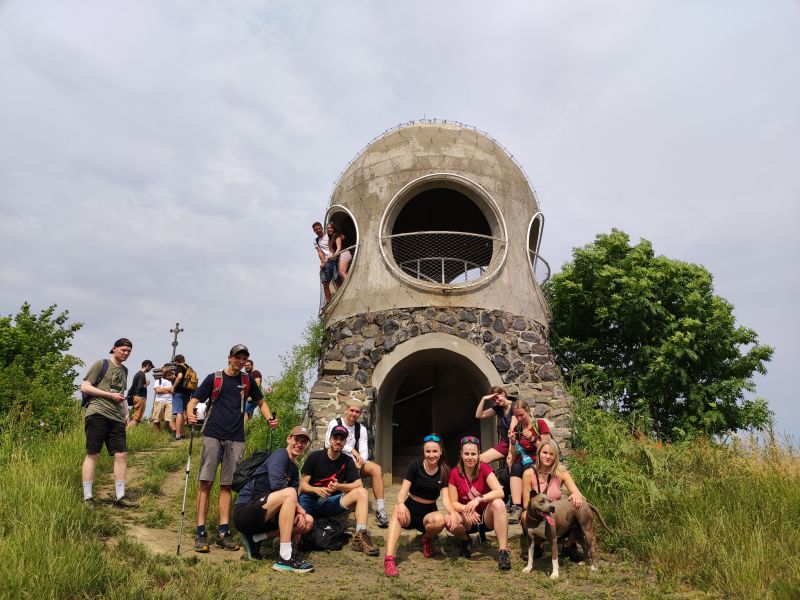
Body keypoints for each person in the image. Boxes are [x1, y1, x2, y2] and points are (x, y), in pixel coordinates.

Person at [186, 344, 278, 553]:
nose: (241, 361)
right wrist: (190, 413)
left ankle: (223, 532)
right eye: (238, 357)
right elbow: (194, 400)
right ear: (229, 358)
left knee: (227, 485)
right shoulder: (214, 378)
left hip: (236, 438)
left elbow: (261, 402)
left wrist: (269, 419)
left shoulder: (247, 381)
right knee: (206, 483)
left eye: (244, 358)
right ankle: (200, 532)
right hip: (212, 434)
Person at [233, 426, 315, 573]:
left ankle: (256, 538)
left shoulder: (294, 469)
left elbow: (293, 499)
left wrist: (299, 514)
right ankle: (285, 558)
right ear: (289, 439)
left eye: (303, 442)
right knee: (290, 493)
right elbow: (277, 485)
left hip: (265, 516)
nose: (299, 444)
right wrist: (300, 508)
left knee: (307, 521)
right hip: (245, 512)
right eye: (296, 439)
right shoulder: (280, 454)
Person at [299, 425, 379, 556]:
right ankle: (289, 539)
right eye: (335, 438)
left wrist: (339, 486)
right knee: (301, 521)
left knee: (362, 492)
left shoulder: (347, 461)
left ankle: (360, 537)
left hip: (331, 502)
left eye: (341, 439)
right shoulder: (315, 457)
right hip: (310, 501)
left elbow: (358, 484)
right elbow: (302, 485)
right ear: (329, 439)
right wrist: (316, 490)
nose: (338, 441)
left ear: (345, 442)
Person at [383, 433, 453, 577]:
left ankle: (425, 539)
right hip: (410, 509)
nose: (431, 455)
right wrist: (400, 503)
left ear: (440, 451)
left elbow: (446, 499)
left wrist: (452, 513)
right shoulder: (415, 465)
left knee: (440, 520)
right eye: (428, 451)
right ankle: (389, 559)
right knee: (396, 509)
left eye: (435, 451)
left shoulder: (445, 470)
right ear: (424, 452)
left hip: (428, 513)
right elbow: (403, 491)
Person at [79, 338, 136, 508]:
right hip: (97, 413)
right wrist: (110, 395)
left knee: (121, 454)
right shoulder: (101, 364)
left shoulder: (124, 370)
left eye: (128, 351)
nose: (126, 353)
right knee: (93, 453)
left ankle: (120, 496)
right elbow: (85, 387)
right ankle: (88, 497)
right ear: (114, 348)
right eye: (123, 350)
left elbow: (121, 393)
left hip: (117, 417)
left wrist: (126, 412)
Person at [446, 436, 511, 570]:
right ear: (461, 454)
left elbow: (500, 492)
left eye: (473, 454)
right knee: (448, 520)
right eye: (466, 454)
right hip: (467, 518)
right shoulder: (454, 473)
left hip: (486, 517)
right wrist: (467, 509)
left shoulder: (484, 468)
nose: (470, 457)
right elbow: (453, 502)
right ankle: (465, 540)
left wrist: (478, 499)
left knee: (498, 503)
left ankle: (503, 552)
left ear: (478, 454)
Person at [324, 400, 389, 527]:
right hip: (336, 460)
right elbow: (328, 443)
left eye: (357, 412)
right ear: (346, 410)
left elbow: (364, 452)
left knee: (376, 469)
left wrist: (359, 462)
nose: (354, 414)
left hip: (353, 463)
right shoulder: (335, 423)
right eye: (352, 410)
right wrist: (351, 450)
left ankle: (380, 510)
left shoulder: (361, 429)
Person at [521, 439, 585, 561]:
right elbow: (525, 504)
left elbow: (578, 493)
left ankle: (569, 546)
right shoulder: (528, 474)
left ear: (556, 457)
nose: (548, 456)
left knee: (581, 507)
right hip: (537, 515)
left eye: (551, 454)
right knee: (524, 515)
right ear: (539, 453)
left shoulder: (561, 472)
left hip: (556, 515)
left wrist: (576, 495)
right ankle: (537, 546)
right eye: (545, 453)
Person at [506, 399, 552, 524]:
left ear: (528, 411)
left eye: (522, 415)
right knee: (515, 467)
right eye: (516, 416)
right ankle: (517, 507)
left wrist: (532, 438)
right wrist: (513, 442)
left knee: (528, 469)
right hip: (523, 458)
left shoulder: (539, 424)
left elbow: (548, 448)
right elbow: (515, 454)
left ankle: (528, 507)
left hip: (539, 459)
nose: (519, 418)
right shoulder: (518, 427)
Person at [474, 386, 516, 465]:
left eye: (497, 397)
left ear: (503, 394)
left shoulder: (515, 406)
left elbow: (512, 431)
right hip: (505, 444)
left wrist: (510, 454)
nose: (496, 401)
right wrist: (483, 399)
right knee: (479, 459)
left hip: (515, 443)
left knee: (512, 464)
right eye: (493, 400)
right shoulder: (498, 408)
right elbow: (479, 415)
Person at [313, 221, 336, 305]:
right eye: (316, 229)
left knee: (336, 278)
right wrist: (323, 263)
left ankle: (340, 294)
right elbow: (320, 252)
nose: (318, 230)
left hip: (334, 258)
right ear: (314, 231)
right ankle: (328, 301)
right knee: (324, 282)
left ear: (322, 228)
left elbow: (335, 241)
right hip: (327, 261)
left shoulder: (328, 235)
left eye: (319, 228)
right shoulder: (316, 241)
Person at [126, 359, 153, 428]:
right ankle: (127, 432)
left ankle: (129, 431)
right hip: (140, 398)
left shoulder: (137, 374)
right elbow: (140, 387)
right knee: (137, 419)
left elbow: (132, 387)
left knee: (136, 417)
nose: (151, 369)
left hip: (136, 397)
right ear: (147, 365)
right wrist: (147, 384)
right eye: (151, 367)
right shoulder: (142, 374)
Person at [171, 354, 191, 441]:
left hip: (179, 392)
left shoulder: (179, 367)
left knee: (178, 412)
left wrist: (173, 386)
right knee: (182, 412)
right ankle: (183, 434)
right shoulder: (188, 368)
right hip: (187, 392)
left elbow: (179, 377)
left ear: (177, 361)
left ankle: (178, 434)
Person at [151, 367, 176, 435]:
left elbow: (172, 390)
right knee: (156, 419)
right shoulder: (158, 381)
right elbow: (158, 391)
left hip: (169, 401)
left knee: (170, 418)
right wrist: (169, 390)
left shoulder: (172, 381)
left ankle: (174, 433)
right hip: (159, 401)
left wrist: (163, 389)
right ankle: (159, 434)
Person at [243, 359, 264, 423]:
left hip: (253, 397)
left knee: (245, 412)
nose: (246, 367)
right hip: (248, 397)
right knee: (248, 415)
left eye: (248, 365)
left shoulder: (255, 372)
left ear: (252, 366)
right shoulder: (247, 376)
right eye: (245, 366)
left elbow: (257, 384)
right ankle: (247, 428)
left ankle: (242, 428)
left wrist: (252, 396)